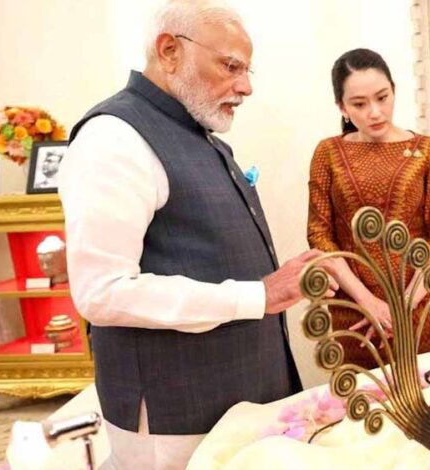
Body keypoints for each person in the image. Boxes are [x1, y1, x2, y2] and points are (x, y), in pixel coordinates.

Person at [59, 1, 335, 468]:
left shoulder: (195, 133)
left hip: (230, 403)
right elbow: (102, 292)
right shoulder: (113, 138)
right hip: (176, 418)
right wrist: (258, 294)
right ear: (170, 51)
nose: (245, 86)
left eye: (246, 70)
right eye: (230, 66)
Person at [307, 48, 430, 370]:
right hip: (354, 310)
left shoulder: (429, 151)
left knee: (429, 389)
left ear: (393, 90)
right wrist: (367, 301)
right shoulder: (328, 153)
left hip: (420, 303)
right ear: (342, 107)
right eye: (359, 104)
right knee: (364, 395)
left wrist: (405, 304)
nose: (375, 112)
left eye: (382, 97)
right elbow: (319, 234)